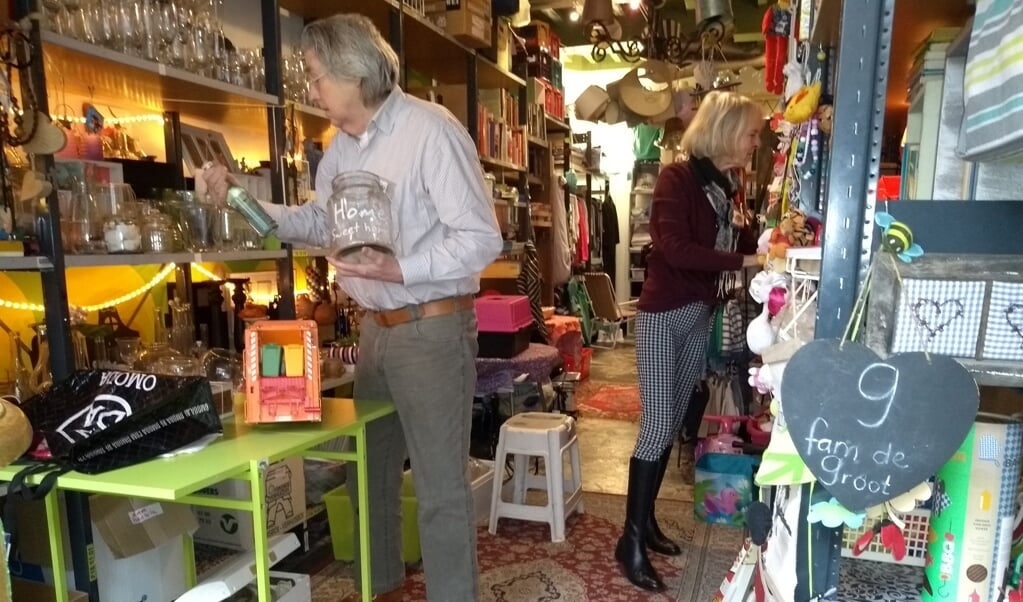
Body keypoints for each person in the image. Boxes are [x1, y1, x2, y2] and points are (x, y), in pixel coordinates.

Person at [203, 13, 503, 602]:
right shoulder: (341, 148)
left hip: (433, 327)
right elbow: (319, 223)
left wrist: (402, 268)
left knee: (441, 492)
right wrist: (240, 194)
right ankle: (381, 590)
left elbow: (480, 238)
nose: (310, 89)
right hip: (377, 333)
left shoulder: (430, 131)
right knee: (367, 478)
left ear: (351, 71)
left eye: (314, 76)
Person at [616, 90, 762, 592]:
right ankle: (629, 542)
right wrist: (746, 261)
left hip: (696, 313)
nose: (755, 142)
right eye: (751, 133)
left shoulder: (724, 187)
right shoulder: (677, 179)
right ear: (724, 131)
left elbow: (732, 243)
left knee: (676, 419)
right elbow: (676, 250)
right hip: (661, 316)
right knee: (657, 425)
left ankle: (647, 523)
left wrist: (755, 238)